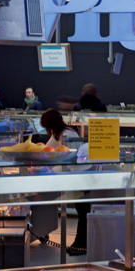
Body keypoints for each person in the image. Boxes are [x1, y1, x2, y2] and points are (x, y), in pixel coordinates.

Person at [40, 109, 86, 255]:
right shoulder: (60, 132)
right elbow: (47, 149)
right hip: (76, 175)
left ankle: (81, 245)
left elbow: (69, 159)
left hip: (80, 175)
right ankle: (80, 244)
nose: (47, 130)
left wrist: (49, 169)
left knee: (83, 210)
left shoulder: (67, 135)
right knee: (82, 210)